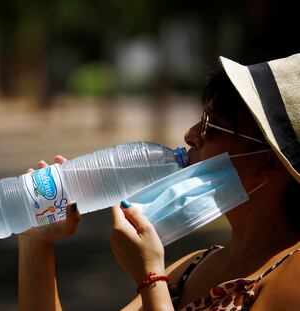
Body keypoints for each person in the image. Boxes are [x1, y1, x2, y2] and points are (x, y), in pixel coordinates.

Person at [18, 53, 300, 310]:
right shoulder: (195, 265)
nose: (190, 135)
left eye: (211, 125)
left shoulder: (293, 276)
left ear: (271, 163)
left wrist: (151, 279)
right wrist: (36, 244)